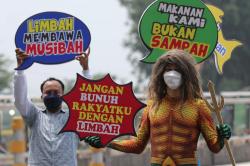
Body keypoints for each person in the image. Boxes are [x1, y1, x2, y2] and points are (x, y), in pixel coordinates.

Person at [85, 49, 232, 166]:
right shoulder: (152, 106)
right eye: (168, 69)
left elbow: (214, 146)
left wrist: (222, 136)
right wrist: (107, 141)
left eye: (177, 69)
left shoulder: (198, 106)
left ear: (186, 74)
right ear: (161, 74)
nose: (172, 73)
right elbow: (137, 145)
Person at [14, 48, 91, 166]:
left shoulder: (73, 117)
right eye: (48, 92)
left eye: (56, 91)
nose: (52, 94)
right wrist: (20, 70)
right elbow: (20, 100)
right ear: (41, 96)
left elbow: (88, 99)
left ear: (63, 95)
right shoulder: (34, 116)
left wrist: (85, 68)